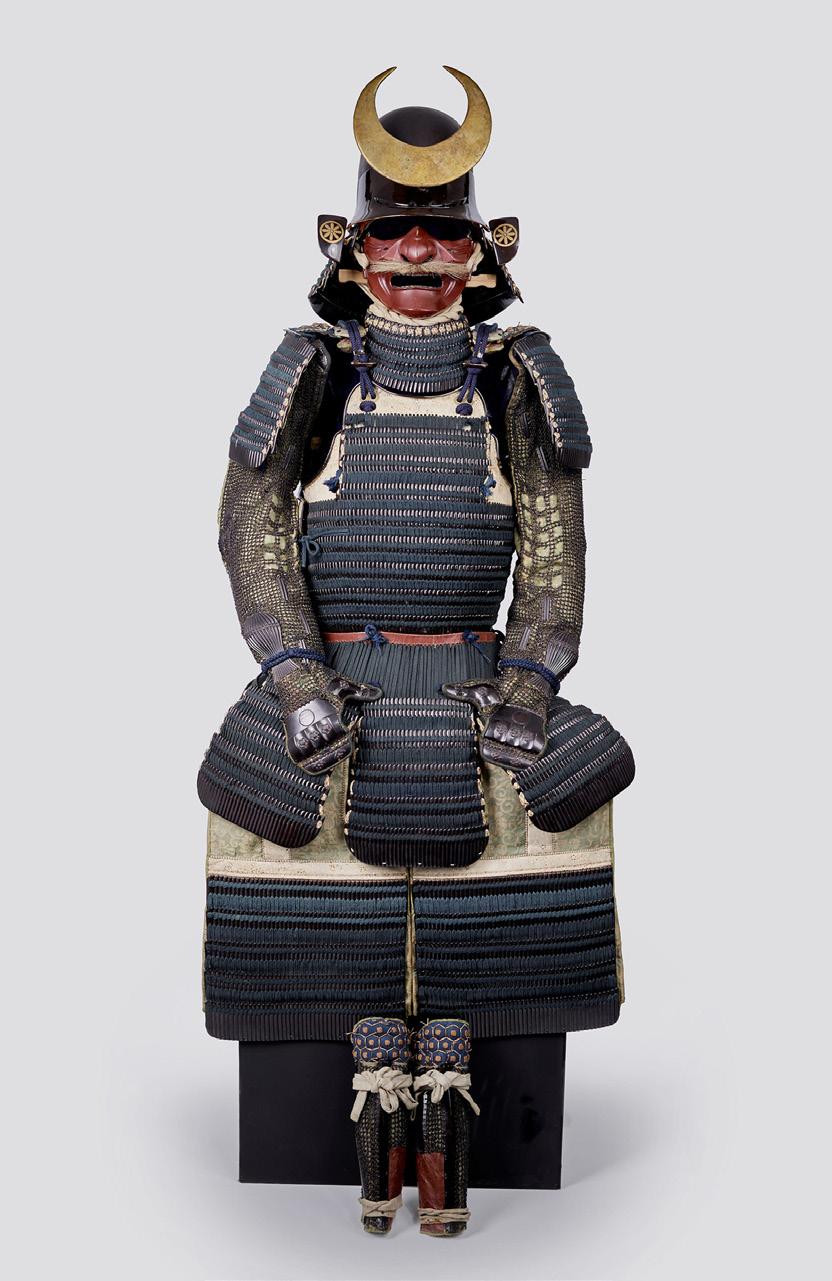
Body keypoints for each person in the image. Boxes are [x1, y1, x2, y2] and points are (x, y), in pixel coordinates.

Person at [198, 67, 634, 1235]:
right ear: (347, 247)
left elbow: (553, 549)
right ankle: (336, 1100)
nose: (417, 252)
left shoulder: (518, 377)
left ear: (485, 250)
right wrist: (293, 675)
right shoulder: (312, 369)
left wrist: (532, 680)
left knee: (570, 798)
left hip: (478, 686)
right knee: (265, 818)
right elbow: (251, 528)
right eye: (392, 231)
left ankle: (467, 1106)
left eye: (441, 233)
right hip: (329, 683)